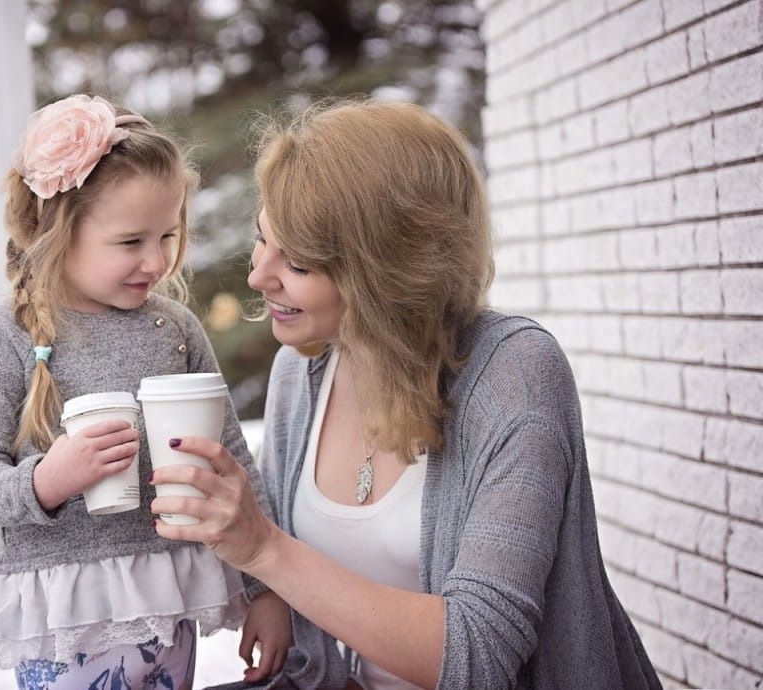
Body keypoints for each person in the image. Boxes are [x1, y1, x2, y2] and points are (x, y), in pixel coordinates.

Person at [149, 98, 663, 690]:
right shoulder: (302, 369)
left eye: (299, 261)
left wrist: (264, 548)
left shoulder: (514, 373)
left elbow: (478, 658)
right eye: (263, 240)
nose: (259, 276)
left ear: (384, 271)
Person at [0, 94, 290, 689]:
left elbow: (231, 460)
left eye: (167, 235)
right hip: (64, 613)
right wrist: (46, 481)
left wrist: (267, 590)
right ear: (59, 230)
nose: (156, 260)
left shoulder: (175, 329)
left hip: (163, 598)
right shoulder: (9, 336)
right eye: (131, 242)